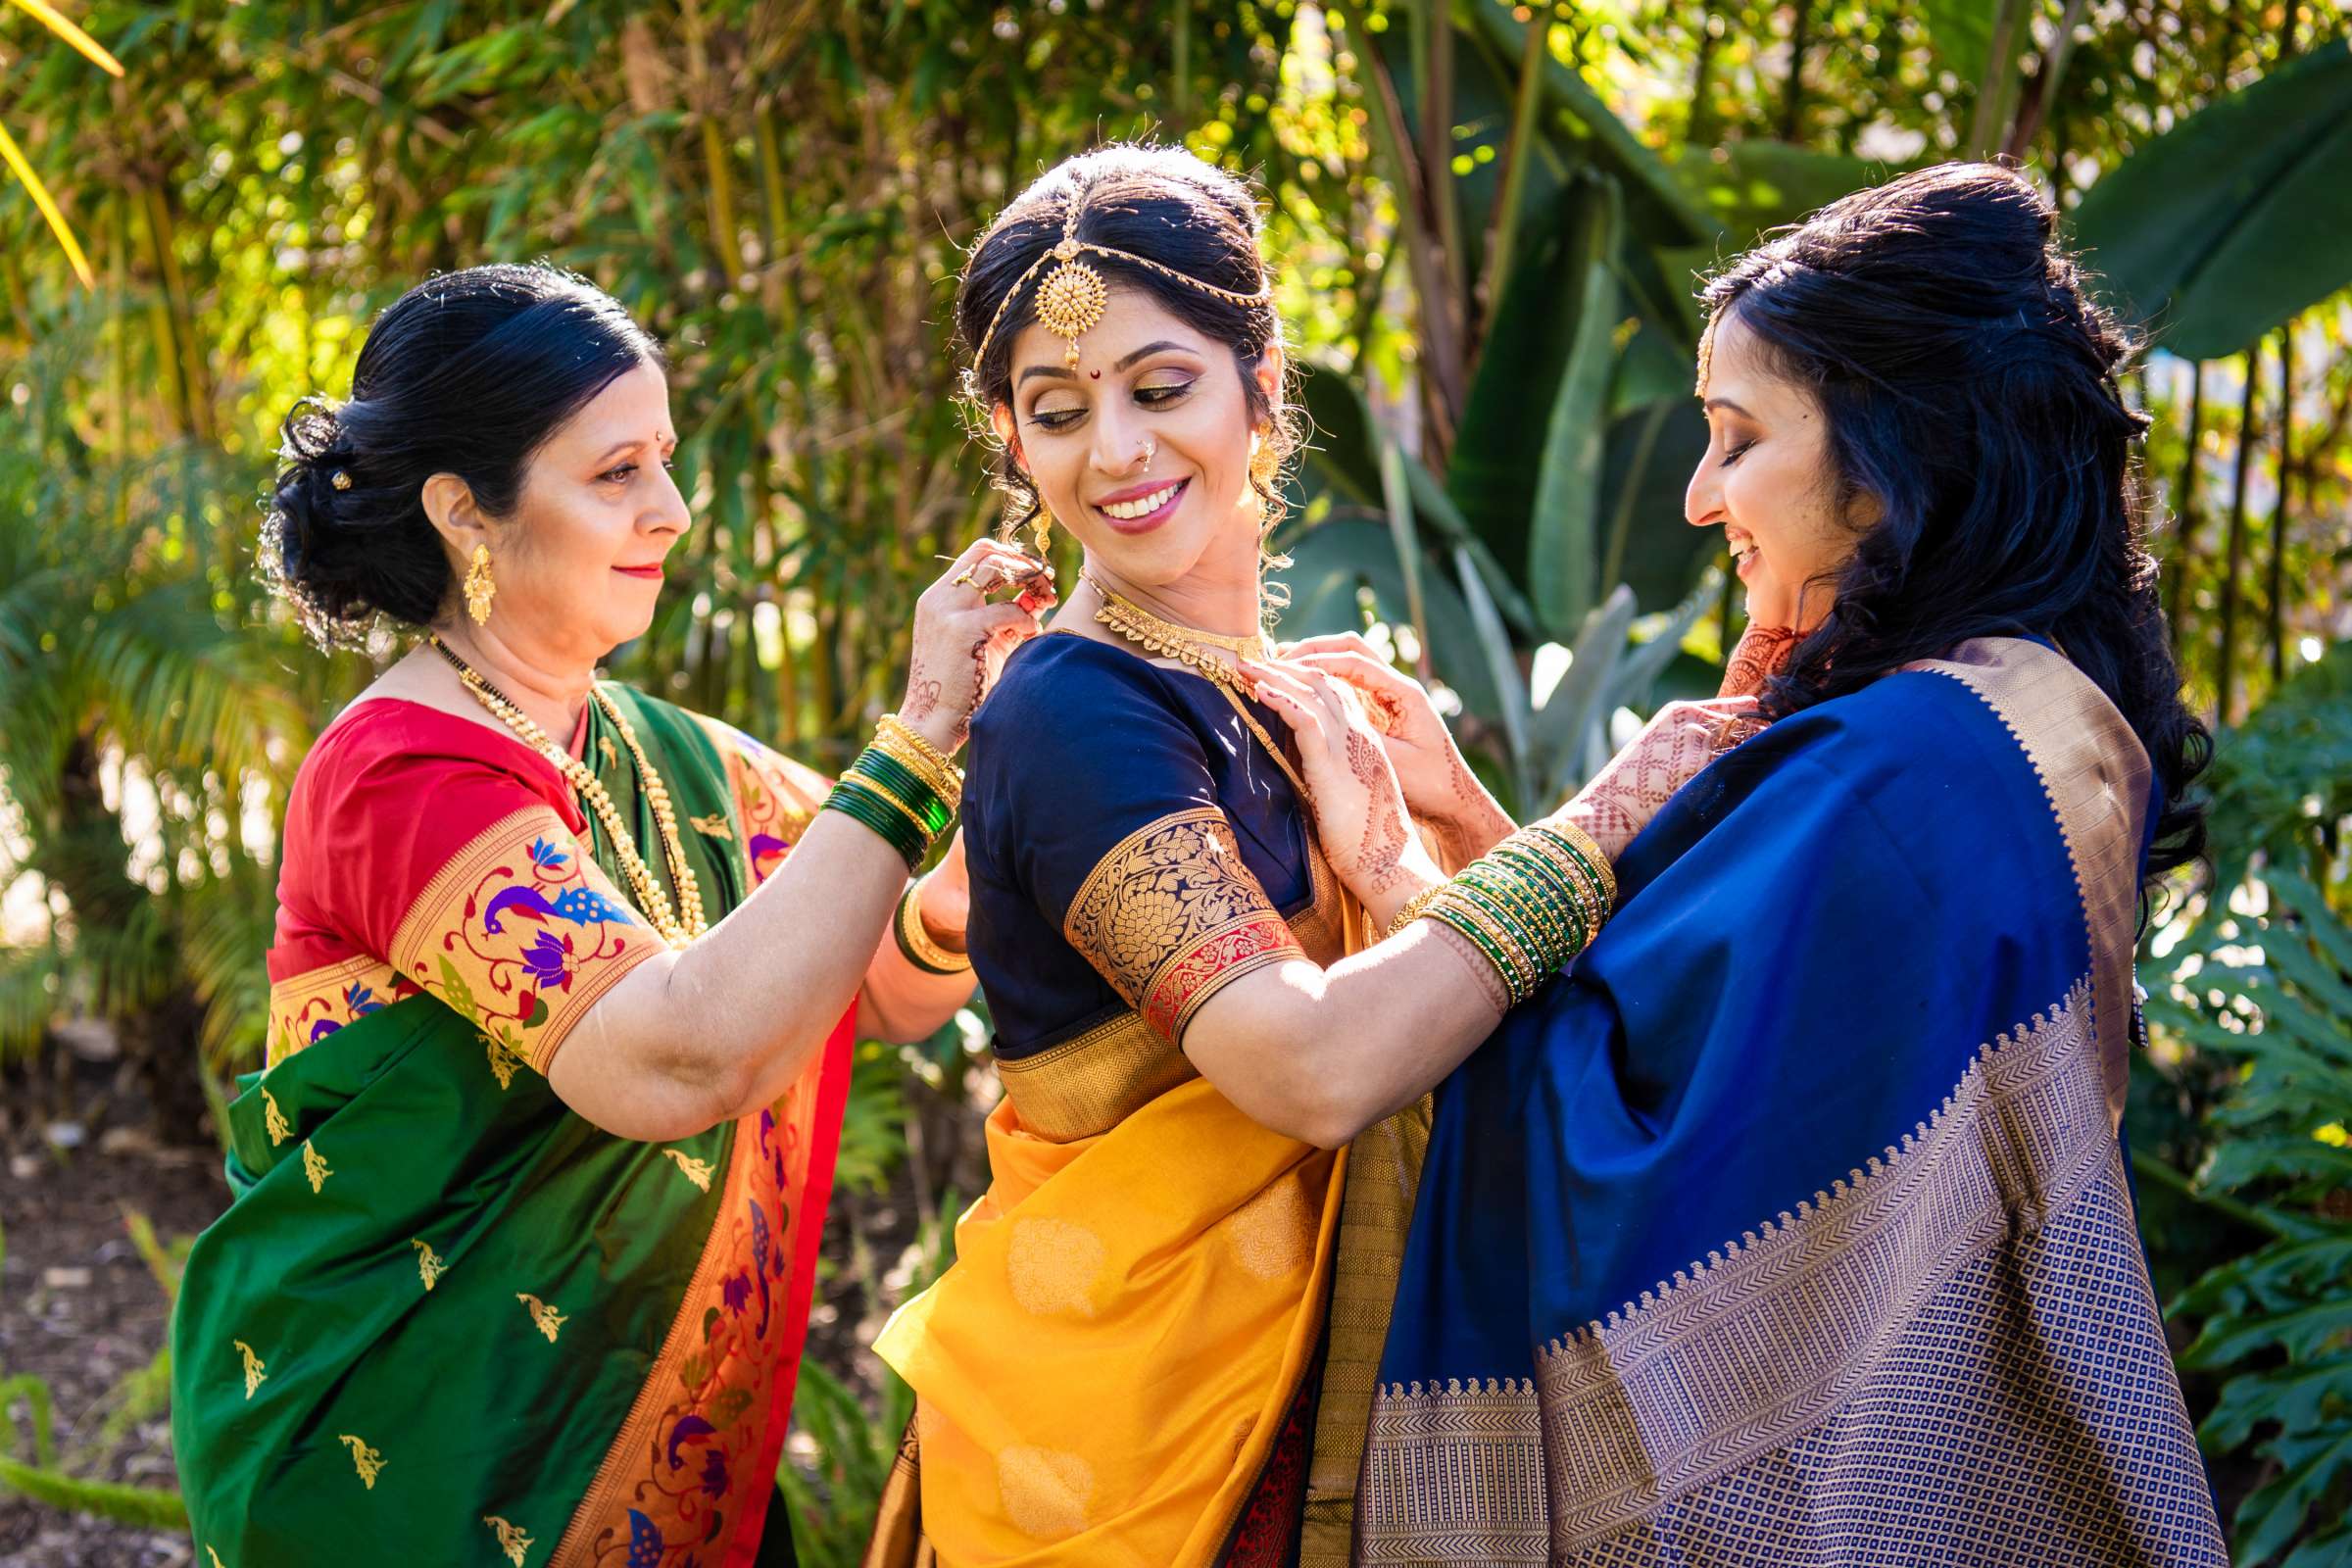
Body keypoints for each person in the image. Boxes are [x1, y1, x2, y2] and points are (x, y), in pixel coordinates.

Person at [1253, 163, 2229, 1565]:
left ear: (1892, 463)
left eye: (1737, 438)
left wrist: (1392, 866)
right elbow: (1694, 1022)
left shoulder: (1903, 772)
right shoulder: (2025, 719)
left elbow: (1605, 1134)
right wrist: (1470, 820)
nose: (1704, 497)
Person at [863, 145, 1742, 1568]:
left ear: (1261, 391)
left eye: (1162, 389)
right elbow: (1312, 1066)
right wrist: (1605, 811)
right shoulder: (1079, 710)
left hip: (1281, 1423)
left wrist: (1448, 821)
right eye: (1058, 411)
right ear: (1015, 448)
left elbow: (1473, 1020)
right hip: (1137, 1471)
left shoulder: (1276, 696)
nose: (1119, 452)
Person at [169, 263, 1051, 1568]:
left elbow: (893, 980)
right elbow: (674, 1058)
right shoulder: (401, 776)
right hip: (416, 1459)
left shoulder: (667, 753)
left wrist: (973, 846)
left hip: (661, 1444)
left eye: (668, 461)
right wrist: (919, 736)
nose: (676, 510)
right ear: (467, 514)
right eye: (617, 472)